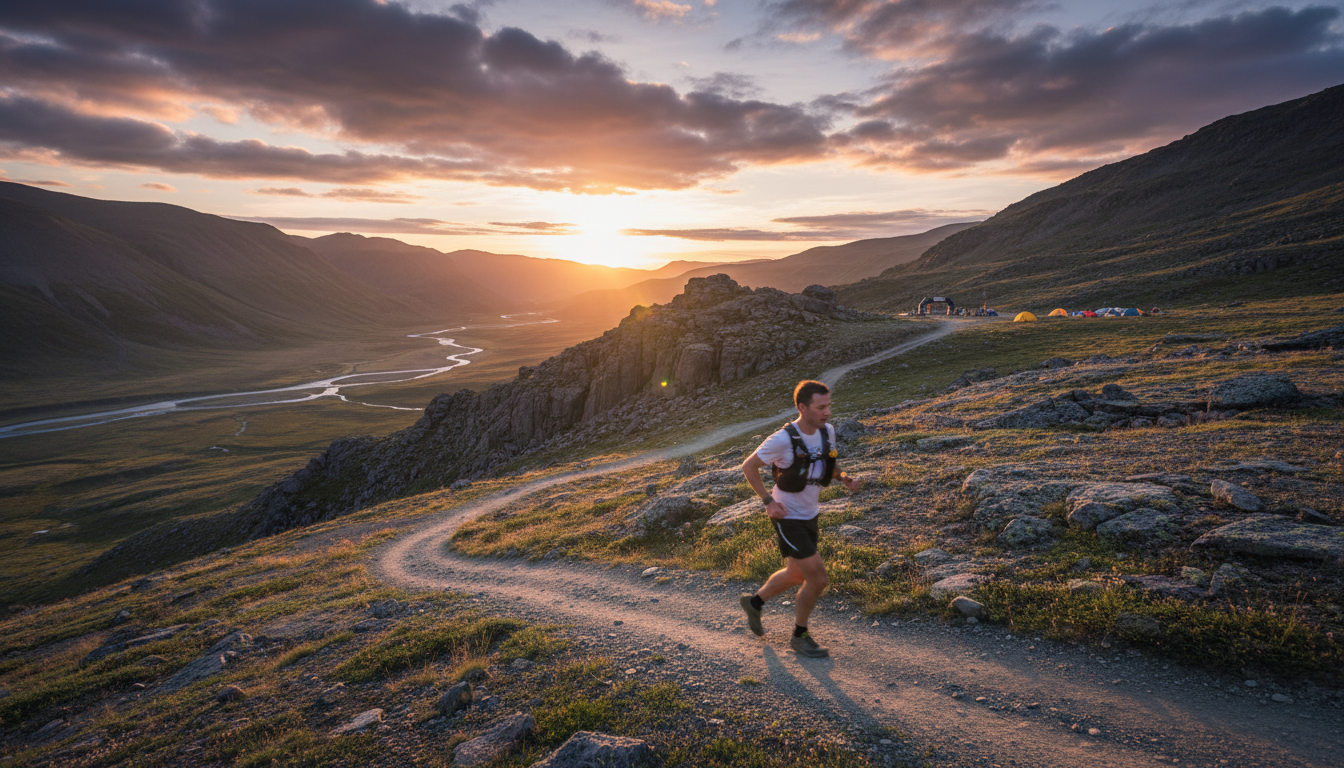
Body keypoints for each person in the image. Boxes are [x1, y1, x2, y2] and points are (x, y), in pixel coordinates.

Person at [738, 380, 861, 657]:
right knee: (817, 579)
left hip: (810, 514)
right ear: (802, 407)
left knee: (795, 574)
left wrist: (843, 478)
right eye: (821, 407)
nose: (827, 412)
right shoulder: (782, 440)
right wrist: (768, 502)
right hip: (787, 516)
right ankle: (799, 636)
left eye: (828, 406)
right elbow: (749, 466)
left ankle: (754, 603)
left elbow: (828, 463)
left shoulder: (826, 431)